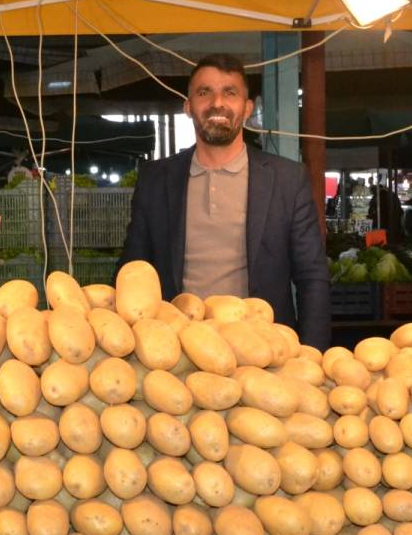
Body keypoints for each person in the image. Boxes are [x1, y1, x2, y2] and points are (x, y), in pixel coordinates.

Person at [118, 54, 330, 350]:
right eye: (204, 92)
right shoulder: (156, 179)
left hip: (264, 350)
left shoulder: (287, 179)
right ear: (188, 107)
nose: (217, 103)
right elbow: (132, 269)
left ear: (247, 109)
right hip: (177, 351)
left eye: (230, 93)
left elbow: (312, 276)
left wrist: (313, 354)